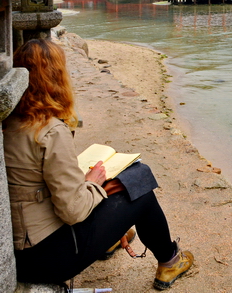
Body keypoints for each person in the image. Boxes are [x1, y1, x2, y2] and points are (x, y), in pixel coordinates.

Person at [3, 39, 193, 290]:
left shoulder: (9, 122)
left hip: (22, 245)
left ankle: (111, 239)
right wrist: (93, 183)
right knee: (141, 185)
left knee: (123, 180)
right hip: (47, 256)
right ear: (57, 77)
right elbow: (73, 211)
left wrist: (87, 183)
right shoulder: (48, 131)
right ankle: (170, 260)